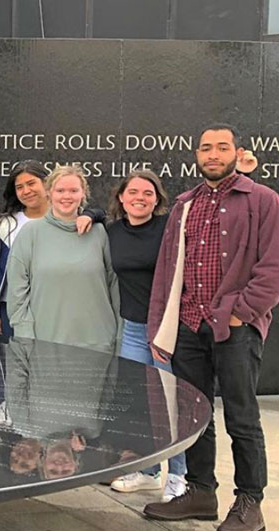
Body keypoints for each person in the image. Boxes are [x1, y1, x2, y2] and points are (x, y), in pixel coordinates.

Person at [143, 124, 279, 531]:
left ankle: (249, 501)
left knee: (241, 414)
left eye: (222, 147)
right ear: (197, 155)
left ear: (238, 152)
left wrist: (244, 311)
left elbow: (273, 266)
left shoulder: (263, 200)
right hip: (188, 324)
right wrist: (159, 328)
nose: (213, 154)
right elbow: (166, 272)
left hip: (235, 327)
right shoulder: (184, 204)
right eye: (206, 148)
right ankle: (201, 493)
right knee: (194, 413)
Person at [103, 170, 186, 501]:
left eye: (148, 192)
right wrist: (91, 215)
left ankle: (178, 475)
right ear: (121, 198)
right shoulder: (110, 232)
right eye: (133, 191)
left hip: (166, 329)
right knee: (138, 402)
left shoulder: (169, 229)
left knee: (168, 404)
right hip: (133, 329)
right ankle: (148, 470)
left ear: (158, 198)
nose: (140, 197)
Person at [6, 165, 119, 353]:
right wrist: (24, 335)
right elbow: (17, 292)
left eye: (73, 190)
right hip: (45, 342)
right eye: (60, 190)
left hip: (98, 343)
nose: (67, 196)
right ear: (49, 192)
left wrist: (119, 336)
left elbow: (113, 284)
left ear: (83, 193)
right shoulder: (30, 233)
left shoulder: (99, 233)